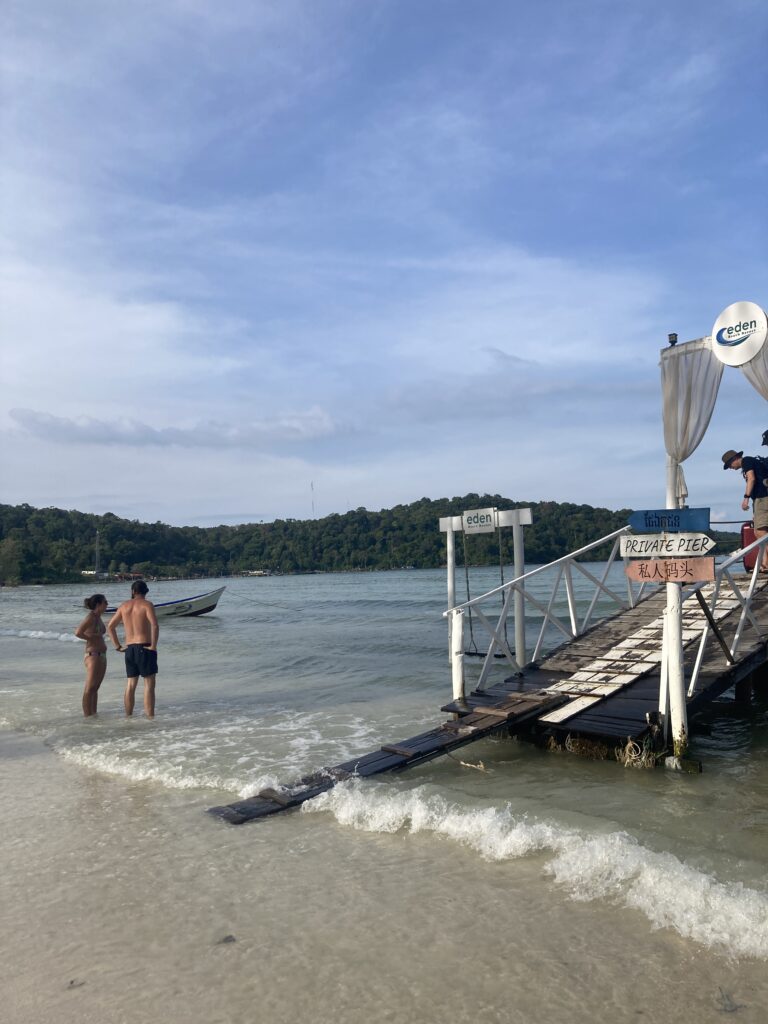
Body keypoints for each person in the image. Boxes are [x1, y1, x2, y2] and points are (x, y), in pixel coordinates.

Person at [107, 580, 160, 718]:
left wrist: (117, 646)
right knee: (149, 684)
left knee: (131, 684)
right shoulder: (147, 604)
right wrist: (153, 646)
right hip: (145, 647)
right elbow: (154, 626)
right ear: (146, 591)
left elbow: (110, 626)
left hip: (129, 649)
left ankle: (128, 716)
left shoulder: (124, 606)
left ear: (132, 592)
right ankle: (150, 717)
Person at [722, 449, 768, 571]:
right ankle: (765, 562)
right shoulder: (751, 462)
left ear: (735, 459)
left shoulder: (746, 461)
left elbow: (751, 479)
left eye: (729, 465)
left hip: (763, 498)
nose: (730, 468)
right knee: (760, 531)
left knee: (760, 532)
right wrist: (755, 510)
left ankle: (766, 562)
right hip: (761, 499)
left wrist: (746, 498)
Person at [75, 594, 109, 717]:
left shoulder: (98, 617)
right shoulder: (91, 617)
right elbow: (78, 632)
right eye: (105, 602)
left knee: (95, 688)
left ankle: (93, 714)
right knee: (89, 688)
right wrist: (90, 637)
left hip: (101, 655)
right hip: (92, 655)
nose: (107, 604)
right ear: (98, 604)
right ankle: (87, 716)